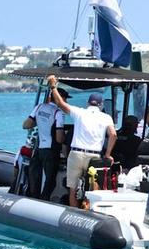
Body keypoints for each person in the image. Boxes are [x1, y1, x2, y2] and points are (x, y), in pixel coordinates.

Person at [47, 76, 116, 208]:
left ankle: (74, 213)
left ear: (88, 103)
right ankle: (91, 212)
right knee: (93, 188)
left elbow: (61, 104)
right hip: (94, 156)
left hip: (76, 155)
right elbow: (113, 134)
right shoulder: (106, 117)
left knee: (72, 189)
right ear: (101, 105)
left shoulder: (79, 113)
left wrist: (53, 87)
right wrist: (108, 154)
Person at [22, 87, 69, 199]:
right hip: (51, 151)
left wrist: (41, 123)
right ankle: (44, 200)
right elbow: (59, 139)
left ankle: (33, 198)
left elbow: (26, 125)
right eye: (65, 99)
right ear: (60, 99)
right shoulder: (58, 113)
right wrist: (65, 138)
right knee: (50, 180)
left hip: (38, 149)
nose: (66, 102)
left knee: (35, 177)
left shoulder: (39, 107)